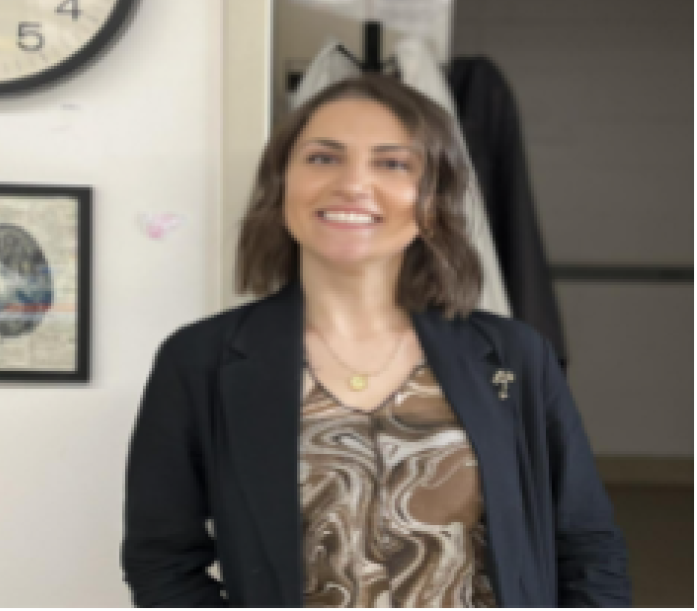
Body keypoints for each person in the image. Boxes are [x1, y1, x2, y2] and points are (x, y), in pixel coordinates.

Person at [121, 74, 632, 609]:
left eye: (392, 163)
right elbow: (162, 560)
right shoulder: (202, 359)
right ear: (280, 185)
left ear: (432, 200)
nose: (352, 184)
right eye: (323, 158)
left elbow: (587, 544)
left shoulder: (513, 354)